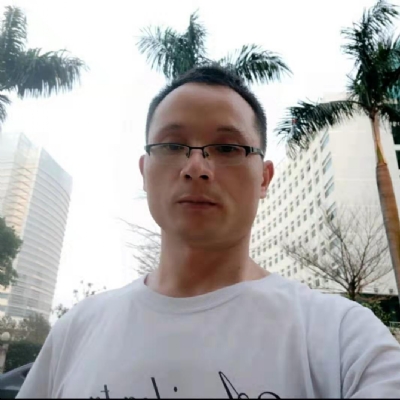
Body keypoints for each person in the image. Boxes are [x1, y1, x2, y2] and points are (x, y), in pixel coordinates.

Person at [18, 65, 400, 399]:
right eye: (172, 145)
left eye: (228, 148)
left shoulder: (344, 338)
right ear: (144, 172)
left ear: (264, 178)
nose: (196, 168)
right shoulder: (76, 331)